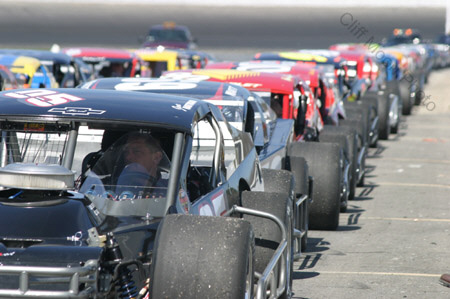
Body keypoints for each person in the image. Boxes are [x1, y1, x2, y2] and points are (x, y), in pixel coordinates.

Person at [115, 133, 168, 197]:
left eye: (137, 152)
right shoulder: (111, 183)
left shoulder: (169, 189)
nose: (128, 157)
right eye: (126, 152)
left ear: (156, 158)